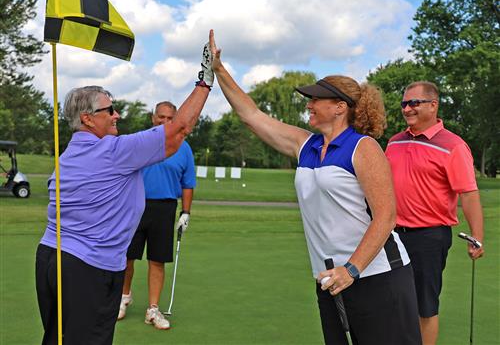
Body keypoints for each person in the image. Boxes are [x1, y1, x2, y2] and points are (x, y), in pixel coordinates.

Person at [209, 30, 421, 345]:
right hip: (330, 280)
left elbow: (386, 217)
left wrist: (352, 269)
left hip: (376, 277)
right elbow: (251, 115)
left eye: (316, 99)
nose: (309, 104)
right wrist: (219, 69)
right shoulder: (304, 144)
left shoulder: (363, 147)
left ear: (340, 107)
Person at [35, 38, 213, 345]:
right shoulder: (114, 151)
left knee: (57, 339)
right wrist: (205, 80)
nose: (117, 114)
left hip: (50, 260)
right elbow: (179, 129)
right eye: (110, 110)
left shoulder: (66, 157)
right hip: (87, 268)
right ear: (88, 119)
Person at [385, 81, 484, 345]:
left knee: (424, 306)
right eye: (404, 103)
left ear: (433, 105)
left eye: (414, 103)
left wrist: (477, 236)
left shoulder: (453, 145)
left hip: (428, 238)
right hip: (391, 235)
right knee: (392, 302)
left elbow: (469, 193)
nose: (407, 108)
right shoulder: (394, 142)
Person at [117, 101, 196, 329]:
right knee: (127, 257)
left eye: (170, 118)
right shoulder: (141, 141)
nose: (165, 122)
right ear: (153, 118)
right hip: (135, 206)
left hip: (165, 208)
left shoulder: (184, 147)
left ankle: (153, 309)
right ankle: (124, 297)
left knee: (157, 260)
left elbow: (188, 183)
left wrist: (186, 212)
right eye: (161, 117)